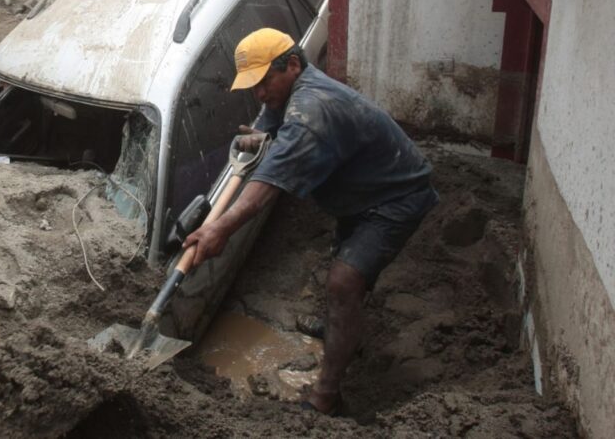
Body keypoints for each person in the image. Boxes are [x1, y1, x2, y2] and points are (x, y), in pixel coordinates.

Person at [184, 28, 439, 416]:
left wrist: (220, 227)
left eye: (263, 82)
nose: (259, 94)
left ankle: (327, 396)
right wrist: (263, 136)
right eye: (253, 87)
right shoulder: (288, 91)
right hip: (358, 192)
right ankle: (340, 325)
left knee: (344, 281)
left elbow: (267, 187)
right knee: (345, 268)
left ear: (291, 64)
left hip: (394, 198)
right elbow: (273, 124)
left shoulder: (313, 109)